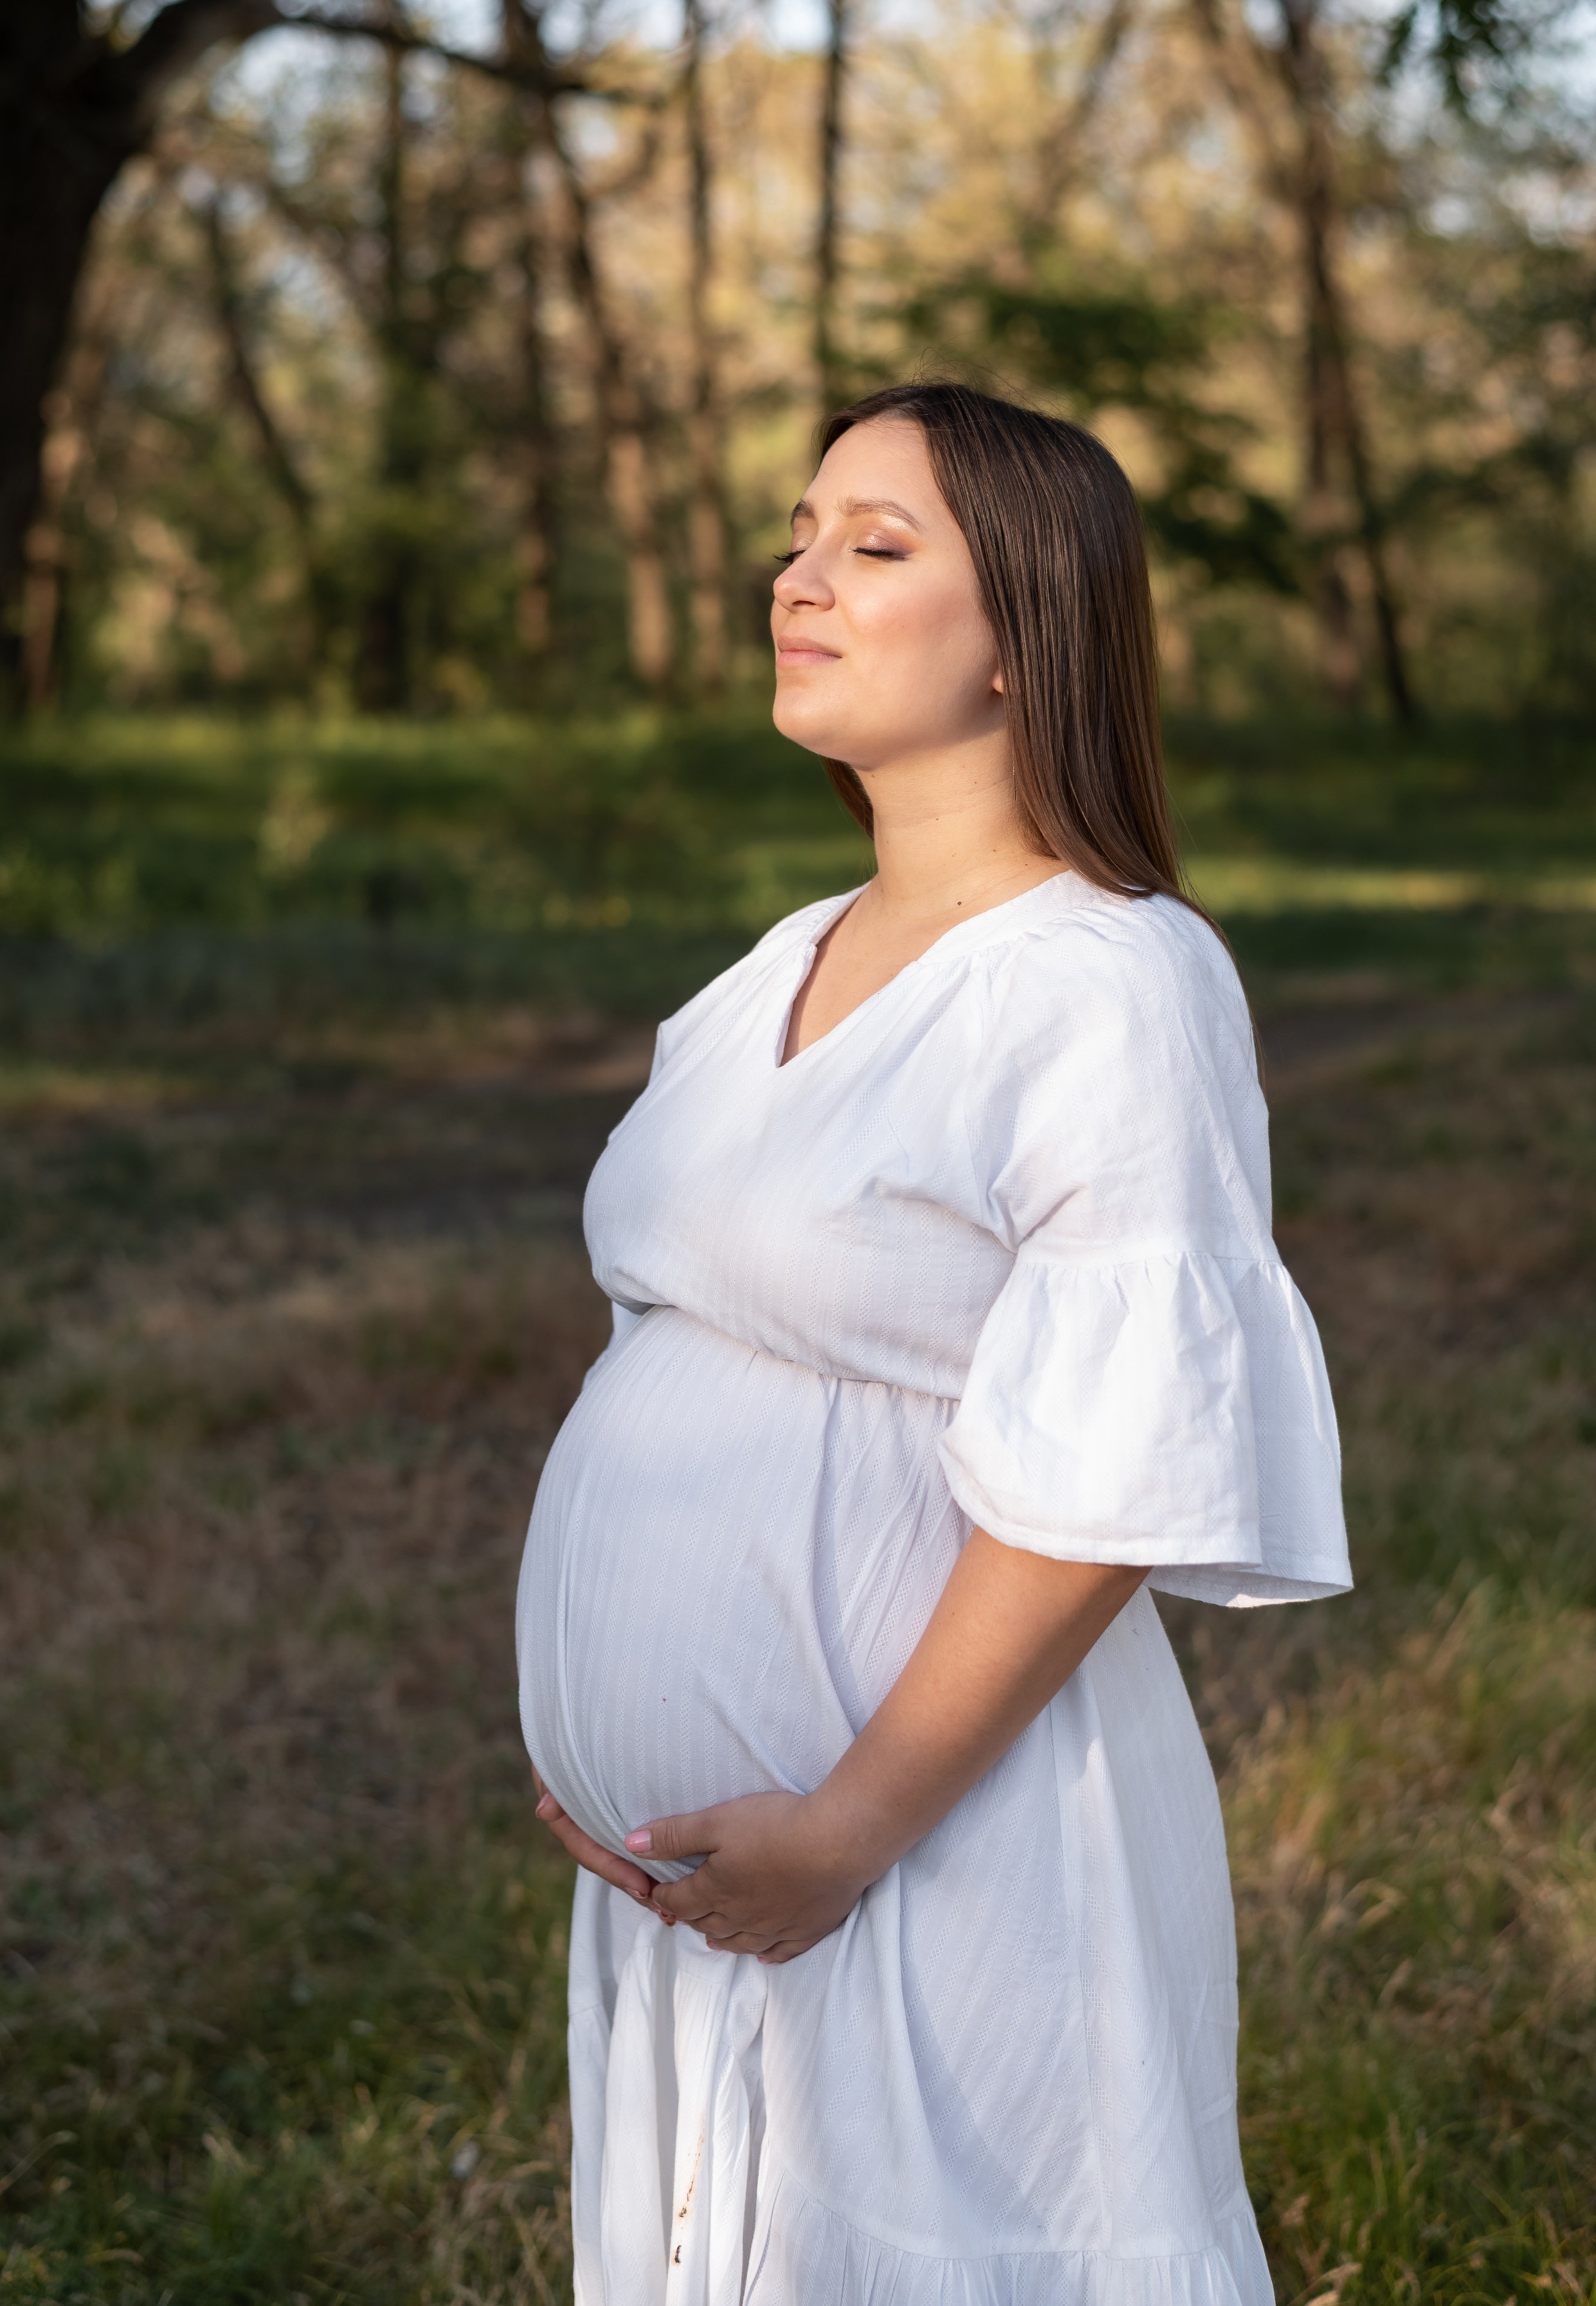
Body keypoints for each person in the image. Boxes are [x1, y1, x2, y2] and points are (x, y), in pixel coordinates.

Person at [516, 381, 1350, 2304]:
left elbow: (1120, 1463)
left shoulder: (1110, 978)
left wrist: (848, 1824)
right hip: (732, 1877)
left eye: (877, 547)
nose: (801, 577)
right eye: (801, 533)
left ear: (1024, 640)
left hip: (931, 1836)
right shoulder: (778, 957)